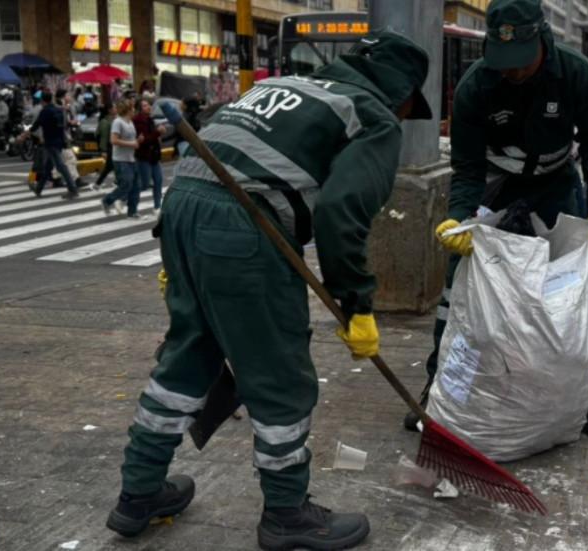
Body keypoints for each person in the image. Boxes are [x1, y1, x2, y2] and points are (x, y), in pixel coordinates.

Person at [107, 30, 431, 549]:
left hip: (182, 214)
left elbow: (211, 156)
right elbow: (341, 213)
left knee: (188, 357)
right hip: (242, 228)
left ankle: (137, 494)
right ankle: (286, 513)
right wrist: (358, 303)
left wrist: (181, 249)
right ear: (403, 92)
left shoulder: (281, 84)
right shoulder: (372, 116)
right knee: (279, 376)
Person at [407, 0, 588, 439]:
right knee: (458, 286)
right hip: (495, 182)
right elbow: (466, 167)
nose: (513, 71)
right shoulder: (476, 86)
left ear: (541, 38)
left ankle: (578, 399)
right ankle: (440, 386)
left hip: (556, 184)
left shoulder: (575, 73)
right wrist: (459, 221)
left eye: (521, 62)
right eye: (503, 62)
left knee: (563, 289)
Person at [22, 88, 80, 199]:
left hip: (50, 142)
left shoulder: (45, 112)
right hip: (59, 141)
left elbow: (35, 126)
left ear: (42, 101)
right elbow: (64, 125)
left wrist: (23, 136)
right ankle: (38, 189)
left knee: (61, 166)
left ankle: (73, 189)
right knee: (48, 166)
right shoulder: (59, 110)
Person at [101, 100, 142, 219]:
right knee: (126, 184)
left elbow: (131, 140)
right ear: (128, 109)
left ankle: (132, 211)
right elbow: (113, 140)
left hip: (131, 158)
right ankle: (107, 200)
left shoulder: (130, 122)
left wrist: (137, 141)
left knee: (135, 186)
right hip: (120, 159)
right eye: (133, 108)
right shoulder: (117, 122)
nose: (134, 110)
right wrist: (132, 144)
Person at [133, 99, 164, 215]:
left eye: (148, 105)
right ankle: (124, 197)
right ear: (140, 109)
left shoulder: (150, 119)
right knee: (144, 184)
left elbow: (153, 138)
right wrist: (158, 132)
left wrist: (159, 133)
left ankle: (157, 207)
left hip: (154, 156)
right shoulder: (137, 121)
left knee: (158, 181)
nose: (148, 107)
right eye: (145, 105)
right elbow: (144, 140)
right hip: (144, 157)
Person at [93, 104, 116, 189]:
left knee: (110, 167)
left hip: (113, 148)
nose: (116, 109)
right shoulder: (105, 122)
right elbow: (103, 137)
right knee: (111, 166)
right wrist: (103, 150)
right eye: (114, 108)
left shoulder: (113, 120)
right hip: (109, 148)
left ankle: (98, 184)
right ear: (109, 110)